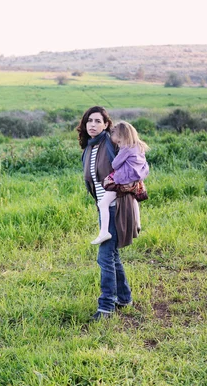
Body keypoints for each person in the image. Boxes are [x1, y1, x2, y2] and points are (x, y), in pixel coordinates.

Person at [78, 107, 140, 321]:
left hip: (118, 206)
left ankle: (106, 307)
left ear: (106, 125)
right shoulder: (89, 147)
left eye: (97, 121)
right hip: (103, 207)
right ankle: (124, 298)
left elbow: (134, 162)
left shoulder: (112, 142)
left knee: (104, 257)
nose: (92, 124)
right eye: (89, 121)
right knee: (112, 256)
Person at [91, 121, 150, 245]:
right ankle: (137, 224)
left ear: (122, 136)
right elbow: (145, 166)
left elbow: (115, 164)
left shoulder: (126, 148)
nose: (117, 143)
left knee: (103, 203)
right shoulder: (139, 147)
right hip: (135, 181)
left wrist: (119, 155)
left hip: (122, 181)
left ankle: (104, 232)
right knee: (134, 199)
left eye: (118, 141)